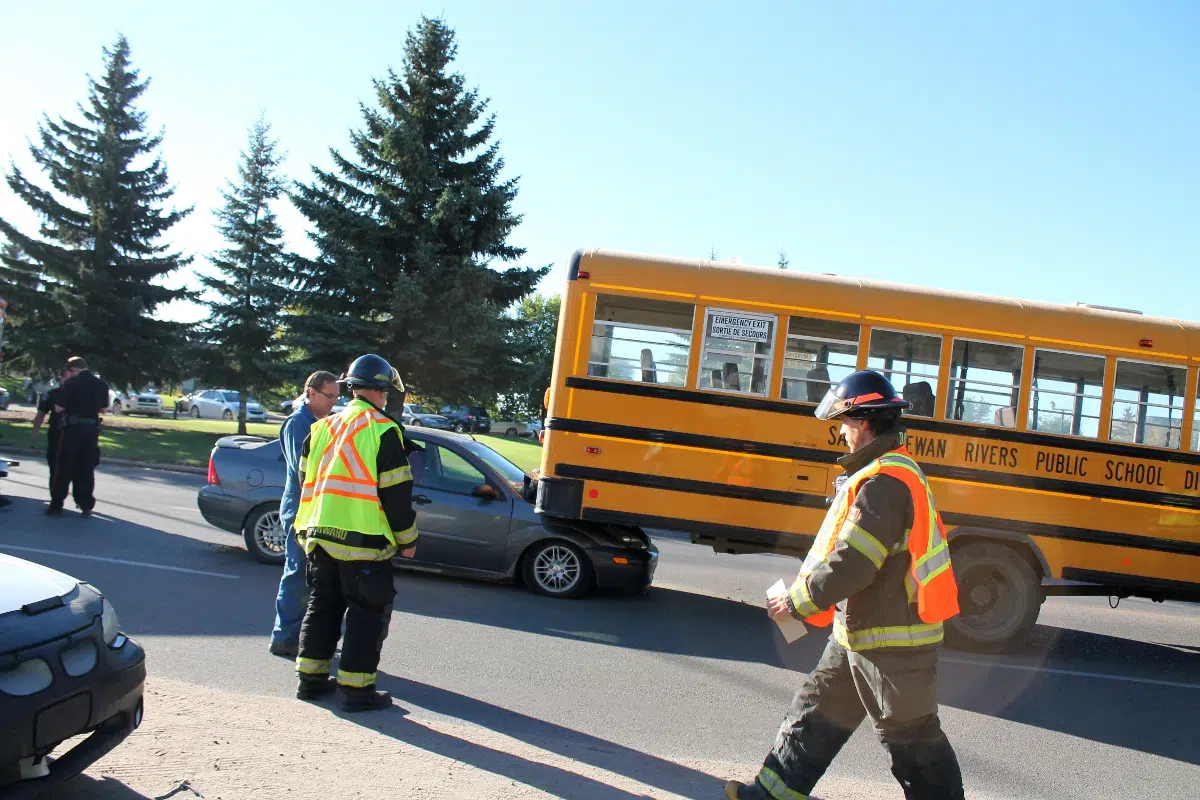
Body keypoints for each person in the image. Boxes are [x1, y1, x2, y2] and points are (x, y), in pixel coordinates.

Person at [726, 370, 965, 800]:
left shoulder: (886, 482)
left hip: (894, 644)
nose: (841, 433)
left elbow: (853, 563)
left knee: (914, 744)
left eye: (844, 423)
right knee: (815, 714)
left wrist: (794, 602)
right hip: (859, 633)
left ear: (865, 422)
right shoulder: (881, 472)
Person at [292, 354, 418, 712]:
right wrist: (407, 540)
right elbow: (396, 495)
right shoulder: (383, 430)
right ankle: (357, 691)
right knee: (367, 614)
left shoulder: (322, 427)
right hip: (364, 542)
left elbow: (306, 480)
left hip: (318, 534)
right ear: (380, 391)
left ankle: (311, 681)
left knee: (322, 606)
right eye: (386, 393)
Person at [269, 370, 341, 658]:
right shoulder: (298, 423)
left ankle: (303, 635)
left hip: (317, 510)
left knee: (316, 577)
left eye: (337, 397)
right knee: (297, 574)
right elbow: (305, 470)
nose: (334, 403)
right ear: (312, 393)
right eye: (329, 396)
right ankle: (284, 637)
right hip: (300, 510)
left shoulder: (325, 421)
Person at [47, 357, 109, 517]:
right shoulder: (101, 385)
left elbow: (59, 408)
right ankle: (85, 504)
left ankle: (56, 504)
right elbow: (103, 409)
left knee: (64, 467)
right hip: (91, 431)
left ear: (73, 370)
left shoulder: (71, 384)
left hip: (72, 430)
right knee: (86, 468)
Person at [31, 365, 72, 493]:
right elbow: (41, 412)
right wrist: (35, 430)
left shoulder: (80, 395)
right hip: (56, 433)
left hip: (74, 435)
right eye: (68, 378)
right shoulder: (53, 394)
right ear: (62, 379)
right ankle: (55, 496)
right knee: (54, 466)